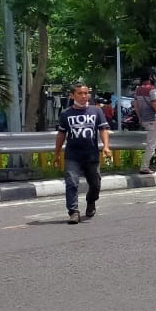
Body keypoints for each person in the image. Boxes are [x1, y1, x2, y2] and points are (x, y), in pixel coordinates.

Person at [54, 82, 112, 224]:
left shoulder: (96, 111)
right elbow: (61, 134)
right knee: (71, 183)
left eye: (86, 93)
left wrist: (106, 146)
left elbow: (103, 129)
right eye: (80, 93)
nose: (83, 96)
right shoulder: (66, 114)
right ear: (72, 95)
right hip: (73, 155)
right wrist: (56, 154)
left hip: (91, 154)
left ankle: (91, 201)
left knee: (95, 184)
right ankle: (73, 211)